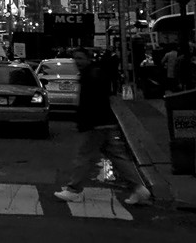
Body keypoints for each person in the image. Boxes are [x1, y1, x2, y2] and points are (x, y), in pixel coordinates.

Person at [54, 47, 151, 206]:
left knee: (84, 156)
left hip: (95, 124)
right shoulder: (95, 72)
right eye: (75, 58)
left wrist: (84, 121)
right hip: (104, 121)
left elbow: (90, 101)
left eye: (80, 58)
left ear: (88, 59)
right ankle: (138, 188)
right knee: (117, 157)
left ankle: (73, 190)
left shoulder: (91, 74)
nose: (76, 62)